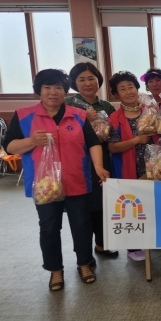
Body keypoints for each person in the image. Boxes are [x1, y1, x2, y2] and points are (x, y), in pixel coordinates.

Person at [3, 69, 109, 291]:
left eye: (58, 87)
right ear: (39, 91)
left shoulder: (78, 115)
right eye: (48, 87)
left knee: (81, 225)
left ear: (65, 91)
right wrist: (31, 141)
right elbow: (9, 146)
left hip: (76, 180)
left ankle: (84, 263)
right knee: (49, 228)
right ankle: (55, 270)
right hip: (45, 186)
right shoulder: (24, 115)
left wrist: (99, 167)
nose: (53, 92)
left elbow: (93, 143)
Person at [65, 63, 118, 258]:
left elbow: (114, 133)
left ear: (98, 81)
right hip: (77, 160)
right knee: (80, 206)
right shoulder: (68, 104)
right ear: (74, 82)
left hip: (102, 158)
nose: (87, 83)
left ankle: (102, 243)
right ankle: (83, 253)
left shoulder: (106, 106)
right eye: (82, 79)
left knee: (102, 202)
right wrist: (81, 117)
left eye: (91, 79)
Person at [107, 71, 158, 262]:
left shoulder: (150, 112)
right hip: (128, 168)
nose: (128, 91)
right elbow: (112, 147)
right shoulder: (114, 119)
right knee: (131, 206)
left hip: (151, 166)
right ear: (116, 94)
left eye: (131, 87)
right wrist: (136, 140)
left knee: (151, 204)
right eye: (122, 89)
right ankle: (133, 247)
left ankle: (152, 239)